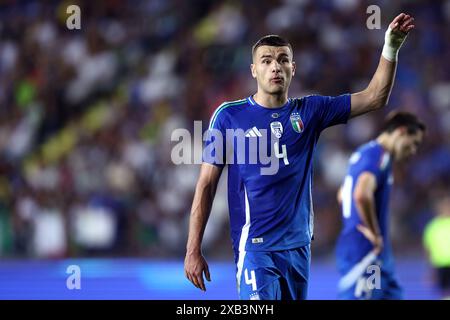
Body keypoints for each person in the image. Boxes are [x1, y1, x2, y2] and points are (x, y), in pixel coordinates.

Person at [184, 13, 415, 300]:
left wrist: (390, 47)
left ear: (293, 68)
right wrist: (193, 248)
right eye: (266, 61)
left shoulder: (310, 111)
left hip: (298, 248)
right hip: (256, 250)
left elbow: (374, 97)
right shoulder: (229, 116)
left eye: (282, 59)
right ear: (253, 70)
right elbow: (206, 183)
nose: (275, 66)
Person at [335, 111, 425, 300]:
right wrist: (374, 233)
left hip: (378, 256)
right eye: (414, 142)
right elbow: (360, 194)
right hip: (366, 252)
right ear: (401, 132)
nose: (414, 150)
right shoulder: (379, 156)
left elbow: (343, 194)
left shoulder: (364, 154)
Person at [423, 195, 450, 299]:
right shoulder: (432, 227)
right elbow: (428, 249)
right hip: (440, 264)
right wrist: (430, 270)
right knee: (444, 293)